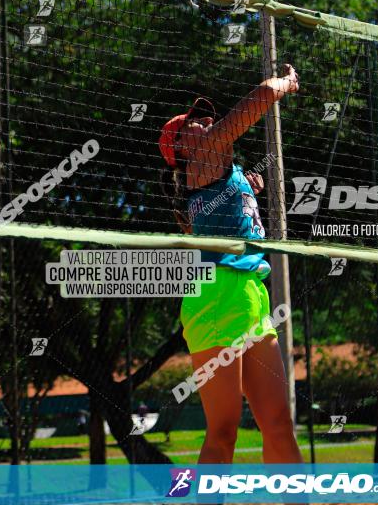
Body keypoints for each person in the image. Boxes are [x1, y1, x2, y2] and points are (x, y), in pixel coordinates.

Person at [159, 64, 303, 466]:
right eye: (193, 122)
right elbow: (253, 103)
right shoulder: (201, 158)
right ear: (180, 149)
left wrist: (249, 187)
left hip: (249, 295)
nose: (205, 119)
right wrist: (284, 84)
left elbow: (231, 200)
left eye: (205, 115)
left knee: (277, 424)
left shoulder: (220, 171)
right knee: (223, 432)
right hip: (217, 294)